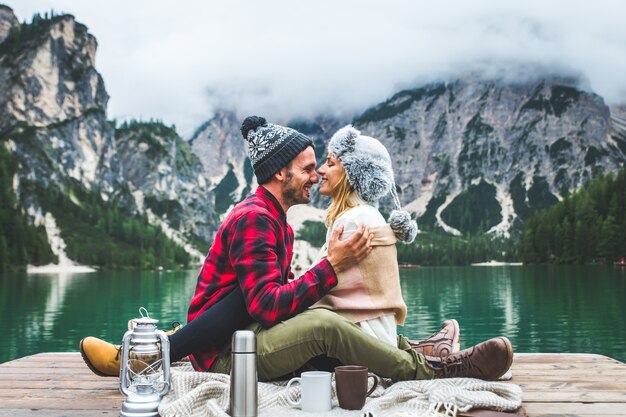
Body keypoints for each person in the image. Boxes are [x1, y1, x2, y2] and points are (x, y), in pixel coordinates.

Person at [80, 116, 513, 382]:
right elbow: (267, 307)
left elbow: (268, 302)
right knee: (323, 326)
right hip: (228, 357)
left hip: (246, 338)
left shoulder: (274, 219)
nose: (315, 176)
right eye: (307, 168)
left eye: (319, 166)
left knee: (324, 319)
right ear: (280, 172)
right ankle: (434, 371)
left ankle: (413, 350)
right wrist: (333, 264)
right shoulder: (255, 217)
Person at [312, 124, 457, 355]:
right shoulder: (367, 215)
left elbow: (314, 291)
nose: (320, 170)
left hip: (356, 348)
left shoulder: (352, 222)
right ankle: (429, 348)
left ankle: (432, 359)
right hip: (375, 339)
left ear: (352, 173)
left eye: (330, 163)